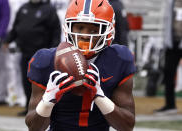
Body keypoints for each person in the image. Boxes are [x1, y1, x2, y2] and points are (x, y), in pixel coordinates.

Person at [25, 0, 136, 131]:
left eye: (94, 30)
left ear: (108, 30)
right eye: (80, 27)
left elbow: (127, 126)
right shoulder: (46, 60)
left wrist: (100, 98)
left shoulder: (119, 59)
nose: (84, 35)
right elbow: (34, 128)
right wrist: (48, 101)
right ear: (68, 27)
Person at [4, 0, 61, 116]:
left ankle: (43, 109)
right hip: (25, 52)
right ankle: (28, 107)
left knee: (41, 82)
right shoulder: (24, 8)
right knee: (26, 81)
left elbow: (56, 30)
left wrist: (54, 50)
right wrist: (8, 40)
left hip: (42, 55)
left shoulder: (48, 9)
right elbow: (16, 27)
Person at [154, 0, 182, 115]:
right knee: (168, 73)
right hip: (172, 43)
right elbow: (167, 22)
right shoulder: (171, 3)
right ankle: (170, 105)